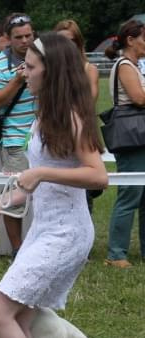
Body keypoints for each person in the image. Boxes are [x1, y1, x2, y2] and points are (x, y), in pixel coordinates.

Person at [0, 33, 108, 338]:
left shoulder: (71, 114)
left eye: (31, 67)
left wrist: (40, 174)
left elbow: (96, 176)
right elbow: (39, 184)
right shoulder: (41, 115)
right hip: (43, 230)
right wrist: (7, 201)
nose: (25, 72)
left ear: (51, 70)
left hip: (67, 233)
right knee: (16, 320)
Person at [0, 13, 36, 259]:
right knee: (15, 200)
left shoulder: (44, 57)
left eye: (29, 35)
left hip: (46, 138)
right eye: (19, 37)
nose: (25, 41)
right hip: (16, 141)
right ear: (9, 38)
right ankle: (17, 250)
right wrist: (17, 80)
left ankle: (42, 246)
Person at [103, 20, 145, 269]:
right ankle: (116, 254)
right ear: (131, 40)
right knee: (129, 194)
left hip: (138, 135)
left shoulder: (135, 65)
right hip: (132, 137)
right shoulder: (125, 64)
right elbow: (139, 98)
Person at [55, 19, 103, 213]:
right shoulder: (50, 70)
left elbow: (87, 105)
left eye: (71, 41)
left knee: (83, 196)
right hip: (56, 137)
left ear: (78, 43)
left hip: (80, 137)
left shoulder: (88, 70)